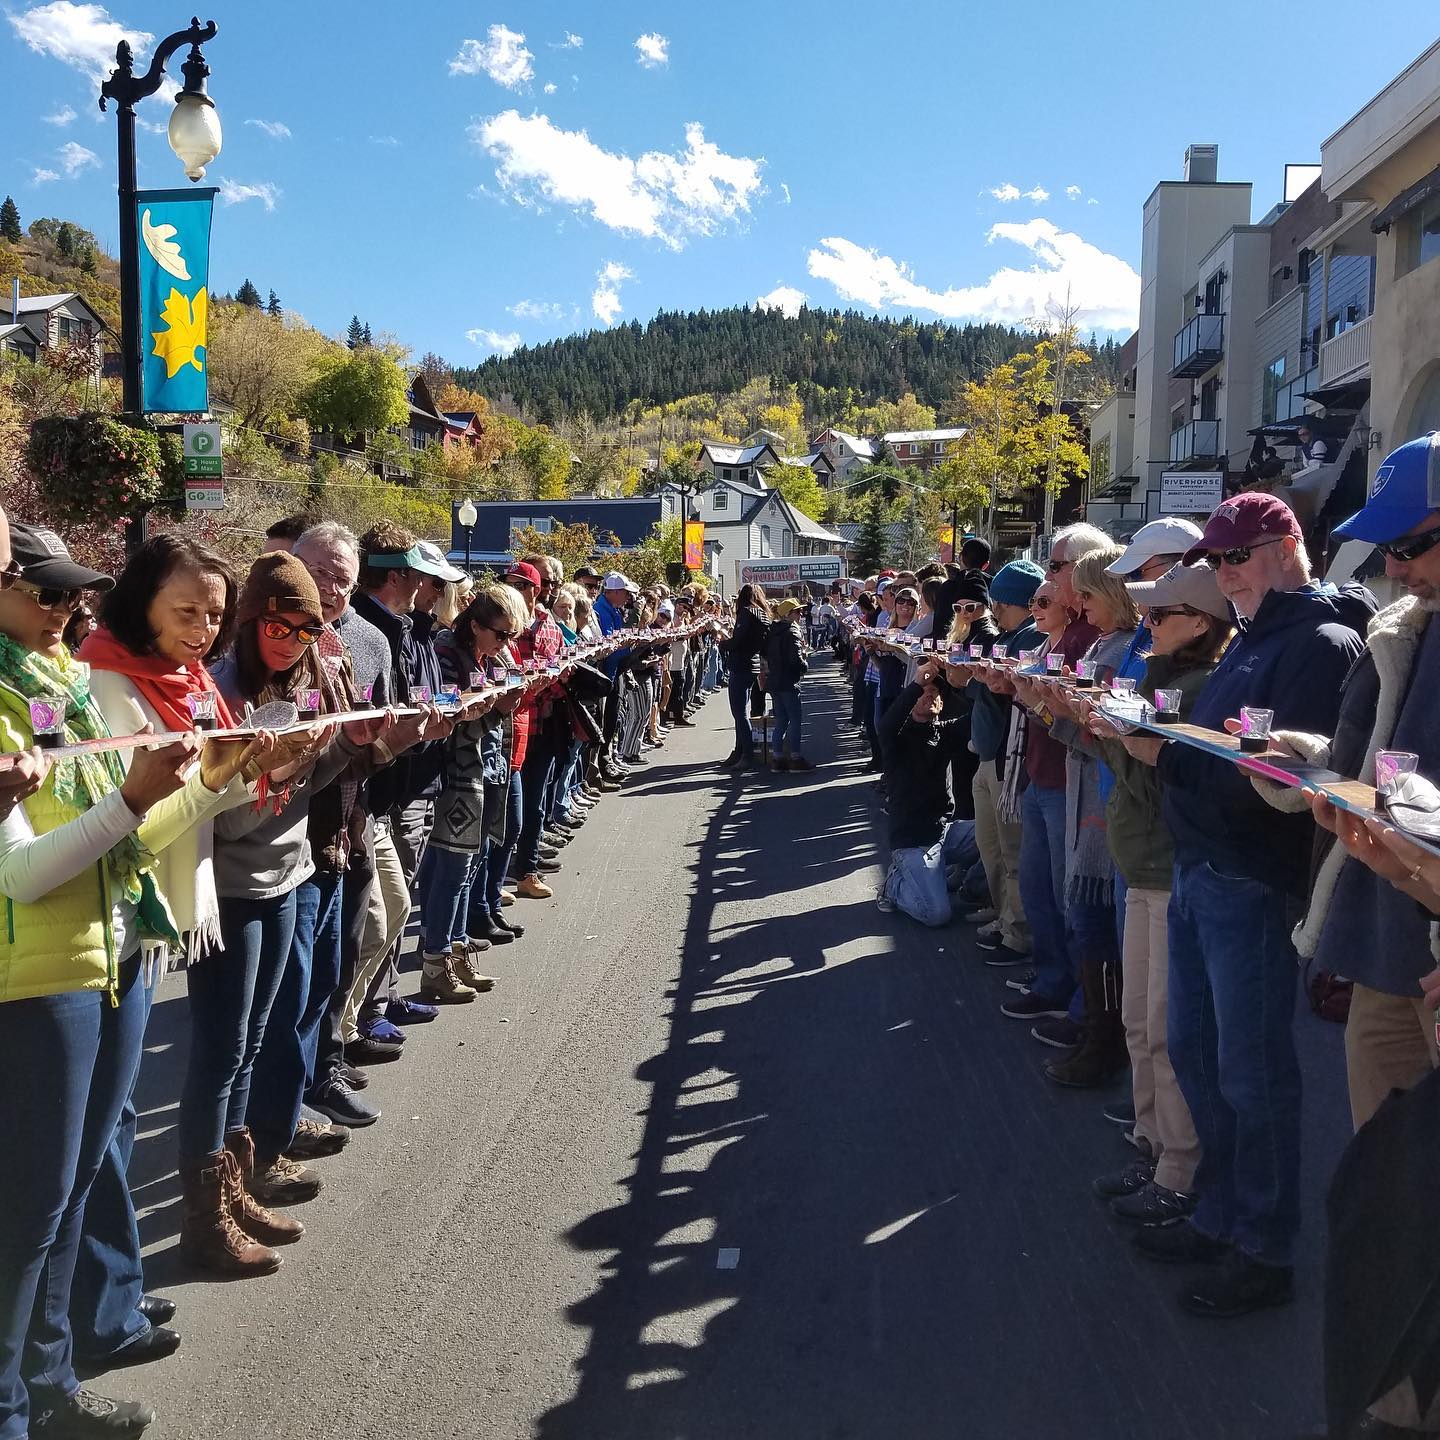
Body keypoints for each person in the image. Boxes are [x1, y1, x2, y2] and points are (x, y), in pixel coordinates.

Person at [1123, 493, 1371, 1316]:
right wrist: (1174, 749)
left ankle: (1263, 1248)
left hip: (1248, 878)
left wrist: (1174, 754)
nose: (1225, 574)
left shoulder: (1320, 639)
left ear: (1286, 546)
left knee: (1251, 1071)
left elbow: (1282, 780)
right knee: (1197, 1053)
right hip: (1202, 865)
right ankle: (1224, 1214)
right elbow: (1228, 748)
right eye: (1217, 561)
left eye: (1238, 557)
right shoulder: (1260, 633)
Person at [0, 515, 212, 1440]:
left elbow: (124, 840)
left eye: (73, 591)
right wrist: (132, 798)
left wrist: (213, 783)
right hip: (37, 971)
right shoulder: (31, 692)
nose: (64, 608)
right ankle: (16, 1405)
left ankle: (49, 1384)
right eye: (41, 589)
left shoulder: (62, 687)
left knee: (68, 1189)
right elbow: (23, 872)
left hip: (105, 949)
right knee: (31, 1209)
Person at [71, 533, 270, 1367]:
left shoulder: (183, 682)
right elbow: (136, 827)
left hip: (150, 918)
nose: (202, 630)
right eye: (186, 610)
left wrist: (256, 768)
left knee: (114, 1124)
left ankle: (111, 1292)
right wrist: (217, 779)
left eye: (215, 617)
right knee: (96, 1133)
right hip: (115, 916)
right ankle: (100, 1312)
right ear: (139, 602)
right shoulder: (110, 682)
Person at [182, 554, 364, 1274]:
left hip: (288, 873)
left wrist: (336, 747)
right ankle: (205, 1215)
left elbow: (303, 792)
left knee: (255, 1042)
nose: (291, 640)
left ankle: (241, 1178)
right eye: (278, 625)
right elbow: (221, 822)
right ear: (252, 617)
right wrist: (279, 765)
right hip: (233, 886)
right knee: (221, 1053)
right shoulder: (224, 690)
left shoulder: (304, 679)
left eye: (307, 628)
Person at [1267, 434, 1440, 1130]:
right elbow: (1376, 760)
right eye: (1386, 550)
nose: (1394, 570)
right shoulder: (1404, 630)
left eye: (1409, 545)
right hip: (1383, 944)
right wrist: (1302, 760)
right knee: (1386, 1185)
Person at [1083, 561, 1232, 1225]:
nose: (1146, 625)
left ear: (1200, 622)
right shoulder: (1164, 677)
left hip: (1165, 868)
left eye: (1160, 615)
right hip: (1142, 864)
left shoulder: (1199, 687)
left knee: (1168, 1032)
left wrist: (1117, 737)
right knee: (1141, 1022)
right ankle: (1152, 1145)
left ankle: (1179, 1167)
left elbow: (1165, 785)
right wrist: (1109, 730)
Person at [954, 559, 1043, 960]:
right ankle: (1004, 914)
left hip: (1009, 756)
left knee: (1011, 852)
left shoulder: (1026, 637)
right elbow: (982, 687)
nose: (996, 609)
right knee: (992, 847)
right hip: (991, 753)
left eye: (1002, 602)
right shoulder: (1010, 635)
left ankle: (1017, 932)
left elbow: (993, 691)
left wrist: (977, 676)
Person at [721, 584, 769, 771]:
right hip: (753, 663)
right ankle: (739, 751)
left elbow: (738, 640)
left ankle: (746, 753)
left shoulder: (746, 613)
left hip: (741, 663)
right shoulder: (762, 614)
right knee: (742, 710)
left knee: (739, 713)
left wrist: (723, 643)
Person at [765, 598, 812, 772]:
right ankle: (795, 757)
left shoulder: (772, 630)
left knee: (781, 720)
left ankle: (777, 758)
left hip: (775, 680)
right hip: (788, 681)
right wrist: (804, 664)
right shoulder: (792, 631)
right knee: (795, 719)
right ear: (789, 614)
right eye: (797, 612)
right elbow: (795, 659)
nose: (800, 615)